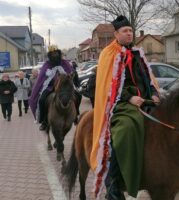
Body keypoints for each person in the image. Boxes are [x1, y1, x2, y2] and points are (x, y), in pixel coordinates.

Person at [90, 15, 160, 200]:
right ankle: (112, 185)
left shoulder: (138, 53)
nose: (129, 34)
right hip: (119, 103)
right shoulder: (109, 53)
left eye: (130, 31)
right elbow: (108, 86)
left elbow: (147, 77)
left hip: (144, 99)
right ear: (116, 34)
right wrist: (129, 98)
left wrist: (154, 93)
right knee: (125, 129)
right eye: (125, 31)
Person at [29, 45, 74, 131]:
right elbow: (41, 79)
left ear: (59, 53)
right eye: (52, 54)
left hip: (63, 87)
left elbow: (71, 73)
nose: (55, 55)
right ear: (50, 55)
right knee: (42, 100)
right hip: (50, 87)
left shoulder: (65, 63)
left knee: (77, 96)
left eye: (56, 53)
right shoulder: (46, 65)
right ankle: (44, 121)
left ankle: (74, 117)